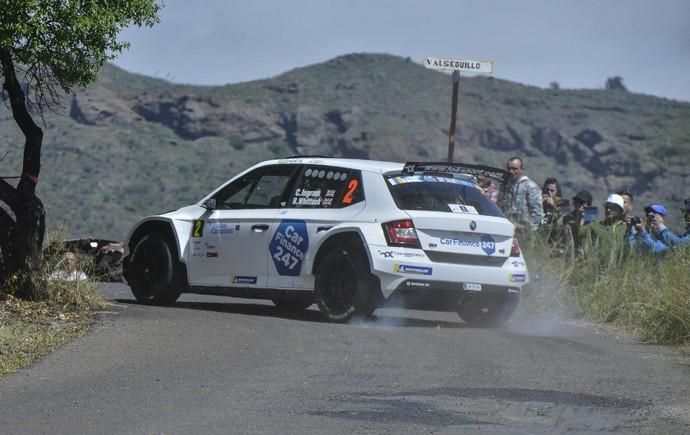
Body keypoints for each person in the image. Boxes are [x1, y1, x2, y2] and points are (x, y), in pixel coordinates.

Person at [499, 156, 543, 232]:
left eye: (515, 169)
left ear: (521, 169)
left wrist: (530, 231)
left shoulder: (530, 186)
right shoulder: (504, 186)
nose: (511, 171)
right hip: (506, 229)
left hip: (523, 230)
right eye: (509, 168)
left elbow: (537, 212)